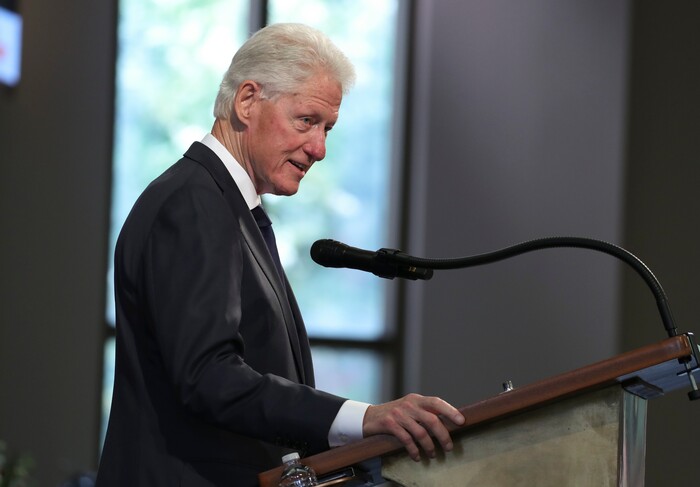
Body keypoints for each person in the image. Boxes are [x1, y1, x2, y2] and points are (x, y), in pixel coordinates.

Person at [96, 23, 465, 487]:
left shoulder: (226, 204)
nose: (320, 149)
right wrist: (364, 417)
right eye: (306, 121)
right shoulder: (194, 202)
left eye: (327, 128)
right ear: (247, 101)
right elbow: (208, 377)